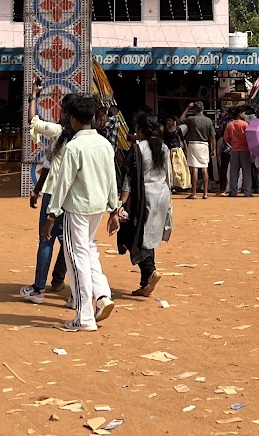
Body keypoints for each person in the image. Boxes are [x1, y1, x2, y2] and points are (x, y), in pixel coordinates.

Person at [47, 91, 119, 332]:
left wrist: (51, 214)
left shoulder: (74, 147)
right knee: (88, 251)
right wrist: (114, 209)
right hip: (98, 207)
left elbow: (62, 184)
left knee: (76, 259)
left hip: (76, 208)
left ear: (74, 120)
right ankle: (102, 295)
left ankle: (84, 317)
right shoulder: (105, 144)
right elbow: (112, 178)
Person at [119, 114, 174, 297]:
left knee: (133, 235)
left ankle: (150, 271)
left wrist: (122, 202)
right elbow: (169, 175)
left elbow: (129, 178)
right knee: (149, 236)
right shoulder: (164, 147)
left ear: (140, 130)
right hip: (162, 194)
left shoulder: (138, 149)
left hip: (143, 197)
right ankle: (145, 283)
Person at [19, 112, 70, 305]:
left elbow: (33, 120)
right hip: (73, 197)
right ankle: (60, 281)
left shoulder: (58, 132)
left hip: (53, 192)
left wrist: (33, 95)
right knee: (69, 242)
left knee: (46, 240)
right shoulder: (86, 139)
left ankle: (39, 287)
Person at [180, 102, 214, 200]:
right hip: (204, 145)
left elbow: (181, 120)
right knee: (204, 168)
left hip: (193, 144)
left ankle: (193, 193)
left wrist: (187, 108)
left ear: (194, 110)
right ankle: (205, 193)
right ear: (203, 109)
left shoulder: (191, 119)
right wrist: (213, 149)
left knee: (194, 168)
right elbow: (212, 136)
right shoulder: (208, 121)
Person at [223, 108, 253, 197]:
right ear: (240, 114)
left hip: (234, 150)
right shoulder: (245, 124)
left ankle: (233, 191)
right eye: (244, 112)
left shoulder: (229, 125)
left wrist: (233, 142)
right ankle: (247, 192)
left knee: (234, 171)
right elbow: (250, 136)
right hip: (245, 149)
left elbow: (226, 138)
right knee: (246, 171)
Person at [162, 117, 191, 193]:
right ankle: (173, 185)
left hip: (177, 150)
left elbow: (182, 139)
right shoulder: (165, 131)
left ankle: (181, 185)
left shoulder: (178, 129)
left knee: (180, 168)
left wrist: (186, 149)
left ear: (173, 121)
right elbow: (164, 141)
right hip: (169, 151)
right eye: (167, 120)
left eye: (169, 120)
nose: (168, 122)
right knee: (172, 169)